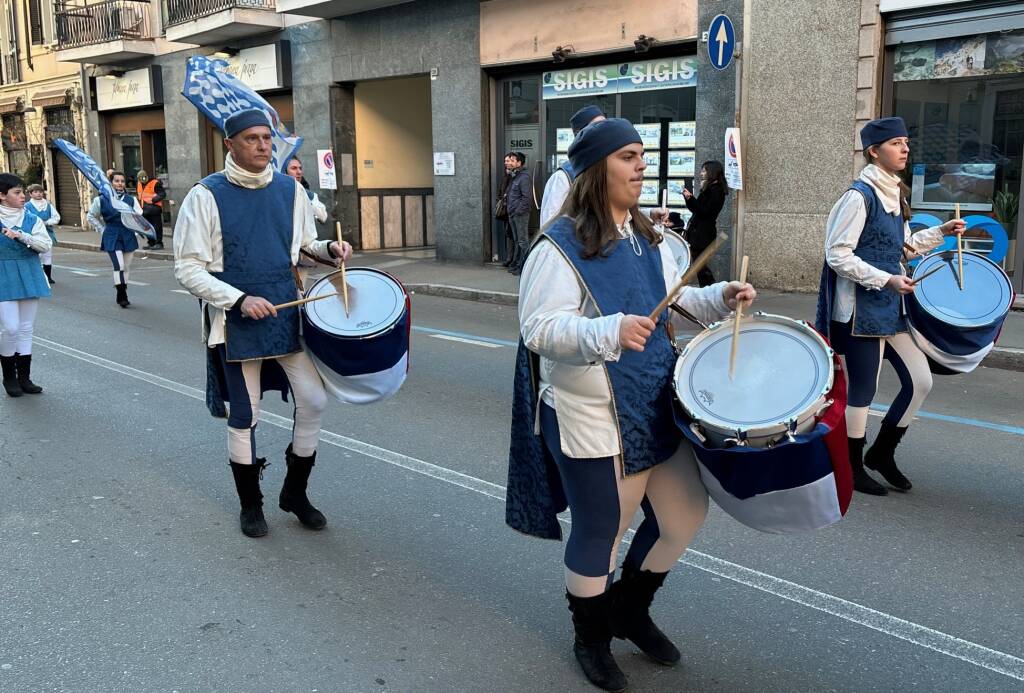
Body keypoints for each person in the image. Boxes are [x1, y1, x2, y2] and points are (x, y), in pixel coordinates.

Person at [507, 119, 756, 691]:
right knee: (603, 529)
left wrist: (719, 297)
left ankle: (627, 610)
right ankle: (590, 637)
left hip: (651, 396)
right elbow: (539, 328)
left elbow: (670, 303)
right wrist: (608, 331)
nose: (641, 165)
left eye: (642, 155)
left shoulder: (652, 238)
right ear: (597, 170)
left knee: (684, 515)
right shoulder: (558, 244)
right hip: (590, 408)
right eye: (628, 156)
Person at [174, 108, 352, 539]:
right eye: (252, 138)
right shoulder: (205, 195)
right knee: (245, 414)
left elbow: (304, 247)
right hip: (235, 322)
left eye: (267, 139)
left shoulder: (291, 190)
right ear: (230, 143)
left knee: (313, 401)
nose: (262, 146)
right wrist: (237, 299)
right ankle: (250, 505)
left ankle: (294, 493)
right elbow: (187, 267)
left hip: (286, 314)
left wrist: (330, 249)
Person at [815, 117, 964, 496]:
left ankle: (881, 454)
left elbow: (903, 247)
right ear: (874, 151)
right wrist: (886, 279)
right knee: (863, 391)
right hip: (858, 310)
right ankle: (850, 465)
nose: (905, 149)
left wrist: (942, 233)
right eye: (897, 143)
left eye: (905, 143)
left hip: (889, 307)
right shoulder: (858, 196)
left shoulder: (894, 193)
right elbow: (836, 254)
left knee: (921, 382)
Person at [0, 173, 51, 397]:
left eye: (23, 192)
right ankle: (9, 377)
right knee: (10, 328)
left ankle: (25, 378)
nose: (23, 196)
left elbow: (45, 245)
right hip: (3, 273)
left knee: (26, 327)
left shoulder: (31, 218)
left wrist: (21, 236)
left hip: (29, 271)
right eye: (17, 192)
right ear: (2, 196)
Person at [539, 105, 606, 228]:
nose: (605, 130)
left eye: (605, 125)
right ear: (581, 134)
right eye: (598, 126)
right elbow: (549, 226)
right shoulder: (564, 176)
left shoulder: (608, 168)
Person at [88, 170, 144, 308]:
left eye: (122, 181)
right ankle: (121, 294)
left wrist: (137, 231)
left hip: (128, 233)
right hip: (112, 234)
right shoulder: (101, 199)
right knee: (119, 265)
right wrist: (102, 229)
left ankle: (123, 290)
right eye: (116, 181)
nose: (120, 184)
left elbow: (139, 217)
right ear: (111, 183)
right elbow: (91, 216)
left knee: (126, 266)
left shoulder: (132, 200)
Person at [682, 161, 728, 287]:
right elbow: (696, 210)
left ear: (712, 172)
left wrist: (692, 199)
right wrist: (688, 199)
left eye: (704, 170)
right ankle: (708, 288)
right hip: (698, 232)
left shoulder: (717, 191)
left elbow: (705, 212)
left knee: (700, 265)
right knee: (699, 264)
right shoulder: (708, 189)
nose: (702, 173)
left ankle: (711, 288)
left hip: (704, 234)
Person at [25, 184, 60, 284]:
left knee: (47, 254)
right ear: (30, 194)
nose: (38, 194)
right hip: (32, 233)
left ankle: (48, 277)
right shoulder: (27, 206)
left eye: (40, 192)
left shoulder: (48, 205)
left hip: (47, 232)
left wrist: (47, 222)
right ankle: (36, 275)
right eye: (35, 192)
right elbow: (25, 218)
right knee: (36, 255)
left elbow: (56, 217)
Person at [505, 152, 533, 275]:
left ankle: (526, 267)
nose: (508, 162)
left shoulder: (524, 177)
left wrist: (518, 211)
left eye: (511, 160)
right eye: (507, 160)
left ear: (519, 163)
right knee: (517, 240)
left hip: (519, 214)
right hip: (512, 213)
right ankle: (517, 264)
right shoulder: (514, 176)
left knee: (523, 241)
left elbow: (527, 198)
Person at [285, 157, 328, 223]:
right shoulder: (277, 193)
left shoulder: (309, 194)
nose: (299, 172)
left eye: (300, 168)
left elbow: (323, 217)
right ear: (284, 172)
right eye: (294, 168)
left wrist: (305, 195)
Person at [136, 169, 166, 250]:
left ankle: (159, 243)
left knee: (157, 227)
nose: (142, 180)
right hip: (145, 210)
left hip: (154, 209)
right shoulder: (139, 184)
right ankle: (151, 243)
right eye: (140, 178)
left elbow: (162, 194)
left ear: (146, 176)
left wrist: (153, 200)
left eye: (143, 177)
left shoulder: (155, 183)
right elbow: (140, 196)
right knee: (147, 228)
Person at [495, 154, 514, 266]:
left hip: (512, 210)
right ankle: (509, 258)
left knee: (514, 236)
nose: (506, 163)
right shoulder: (506, 176)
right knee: (509, 235)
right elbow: (501, 191)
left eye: (508, 161)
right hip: (505, 211)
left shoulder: (516, 176)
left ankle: (513, 259)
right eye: (505, 161)